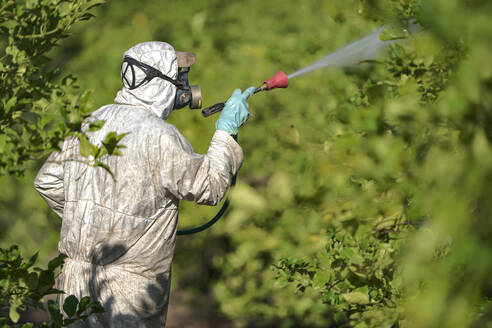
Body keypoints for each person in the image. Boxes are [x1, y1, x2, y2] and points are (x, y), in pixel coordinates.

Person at [34, 41, 254, 327]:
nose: (183, 85)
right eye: (179, 76)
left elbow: (47, 181)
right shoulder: (160, 136)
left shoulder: (91, 122)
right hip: (130, 290)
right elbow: (209, 186)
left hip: (76, 282)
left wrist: (90, 218)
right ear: (160, 83)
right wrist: (226, 132)